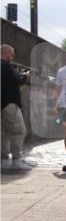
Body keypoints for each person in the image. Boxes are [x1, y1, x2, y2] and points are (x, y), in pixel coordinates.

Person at [1, 44, 30, 172]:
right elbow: (16, 82)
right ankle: (17, 160)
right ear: (6, 53)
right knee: (19, 130)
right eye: (12, 54)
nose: (12, 57)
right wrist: (25, 76)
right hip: (9, 104)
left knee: (3, 133)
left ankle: (3, 159)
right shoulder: (6, 66)